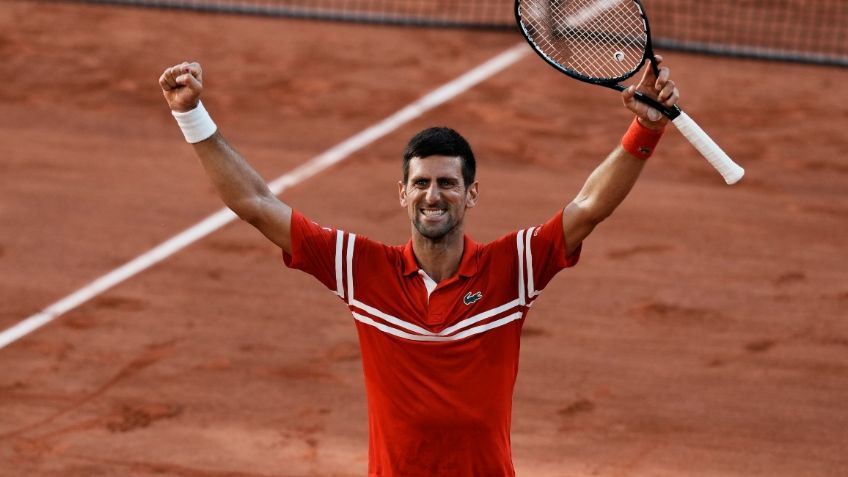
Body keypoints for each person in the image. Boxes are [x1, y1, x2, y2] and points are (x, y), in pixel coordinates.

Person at [159, 55, 678, 476]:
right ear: (402, 193)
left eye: (448, 183)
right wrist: (191, 115)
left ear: (471, 194)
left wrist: (644, 130)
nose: (434, 195)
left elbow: (588, 208)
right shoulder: (361, 269)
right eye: (422, 183)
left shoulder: (512, 268)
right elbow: (255, 203)